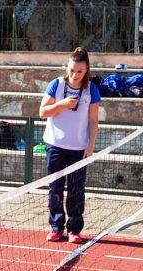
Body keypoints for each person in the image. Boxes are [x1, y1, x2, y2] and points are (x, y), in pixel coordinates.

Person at [39, 47, 100, 244]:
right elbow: (42, 112)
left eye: (80, 71)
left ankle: (74, 229)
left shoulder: (91, 90)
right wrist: (61, 105)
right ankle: (56, 227)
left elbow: (93, 122)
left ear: (86, 70)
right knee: (55, 188)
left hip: (78, 149)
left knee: (76, 190)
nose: (75, 75)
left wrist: (90, 146)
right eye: (72, 70)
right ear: (67, 67)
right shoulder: (55, 85)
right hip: (55, 145)